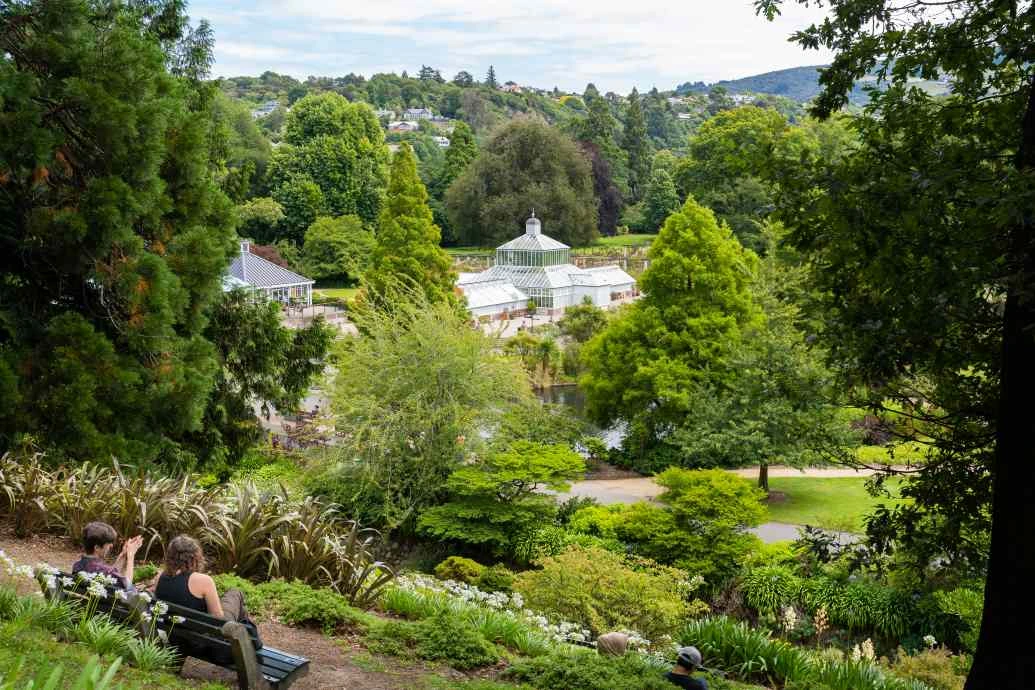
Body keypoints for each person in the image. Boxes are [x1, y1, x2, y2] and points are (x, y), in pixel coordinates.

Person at [154, 535, 249, 623]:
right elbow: (218, 621)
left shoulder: (160, 577)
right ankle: (253, 639)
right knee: (236, 593)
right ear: (195, 557)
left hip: (171, 634)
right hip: (201, 639)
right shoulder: (204, 581)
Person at [71, 521, 141, 591]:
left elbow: (112, 576)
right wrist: (131, 556)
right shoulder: (104, 570)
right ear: (97, 548)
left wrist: (123, 555)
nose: (111, 546)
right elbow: (128, 587)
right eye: (108, 543)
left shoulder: (77, 566)